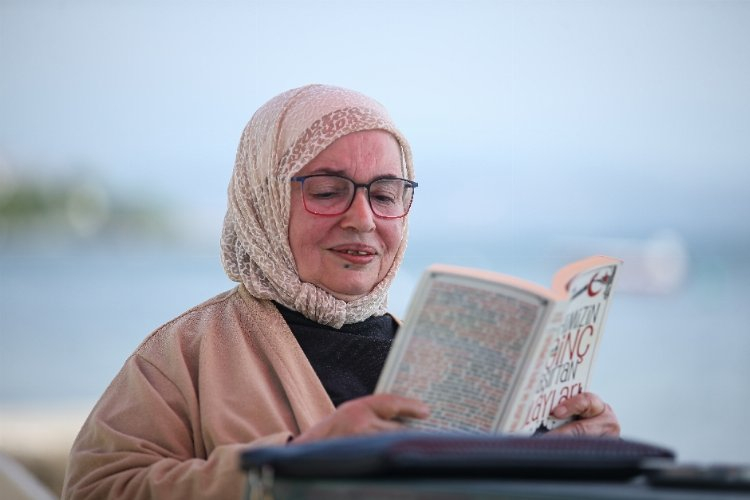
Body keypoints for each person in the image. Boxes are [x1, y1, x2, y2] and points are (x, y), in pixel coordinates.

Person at [62, 84, 619, 499]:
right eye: (328, 191)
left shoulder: (441, 362)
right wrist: (298, 464)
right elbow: (97, 490)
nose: (362, 218)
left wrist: (574, 459)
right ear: (262, 200)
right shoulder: (184, 356)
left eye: (385, 193)